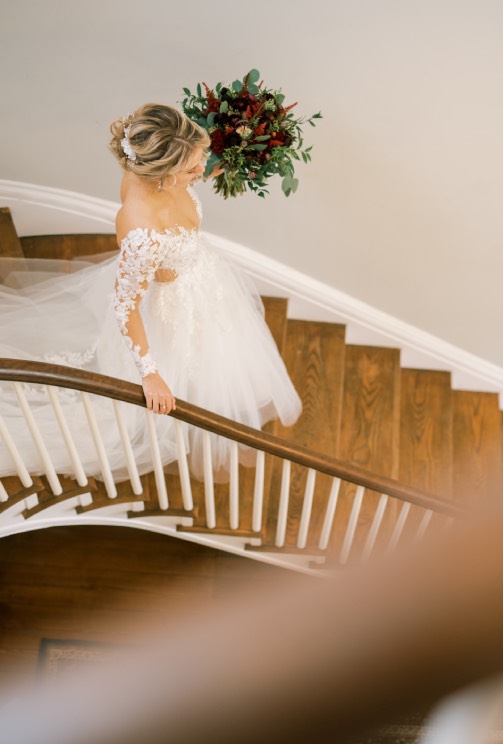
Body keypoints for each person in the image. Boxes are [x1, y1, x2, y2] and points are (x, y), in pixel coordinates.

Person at [0, 103, 302, 479]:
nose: (202, 170)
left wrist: (240, 155)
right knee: (194, 368)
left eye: (201, 159)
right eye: (192, 168)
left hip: (202, 275)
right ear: (164, 173)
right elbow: (125, 305)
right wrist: (150, 373)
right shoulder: (141, 228)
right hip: (175, 305)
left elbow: (197, 171)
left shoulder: (152, 163)